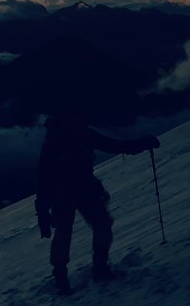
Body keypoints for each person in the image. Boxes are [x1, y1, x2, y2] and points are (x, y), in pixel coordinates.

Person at [35, 114, 160, 294]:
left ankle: (61, 276)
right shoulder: (82, 135)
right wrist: (143, 143)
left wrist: (43, 212)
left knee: (64, 232)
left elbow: (42, 180)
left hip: (62, 195)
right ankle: (99, 267)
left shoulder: (54, 142)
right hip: (84, 189)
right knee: (101, 225)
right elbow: (115, 145)